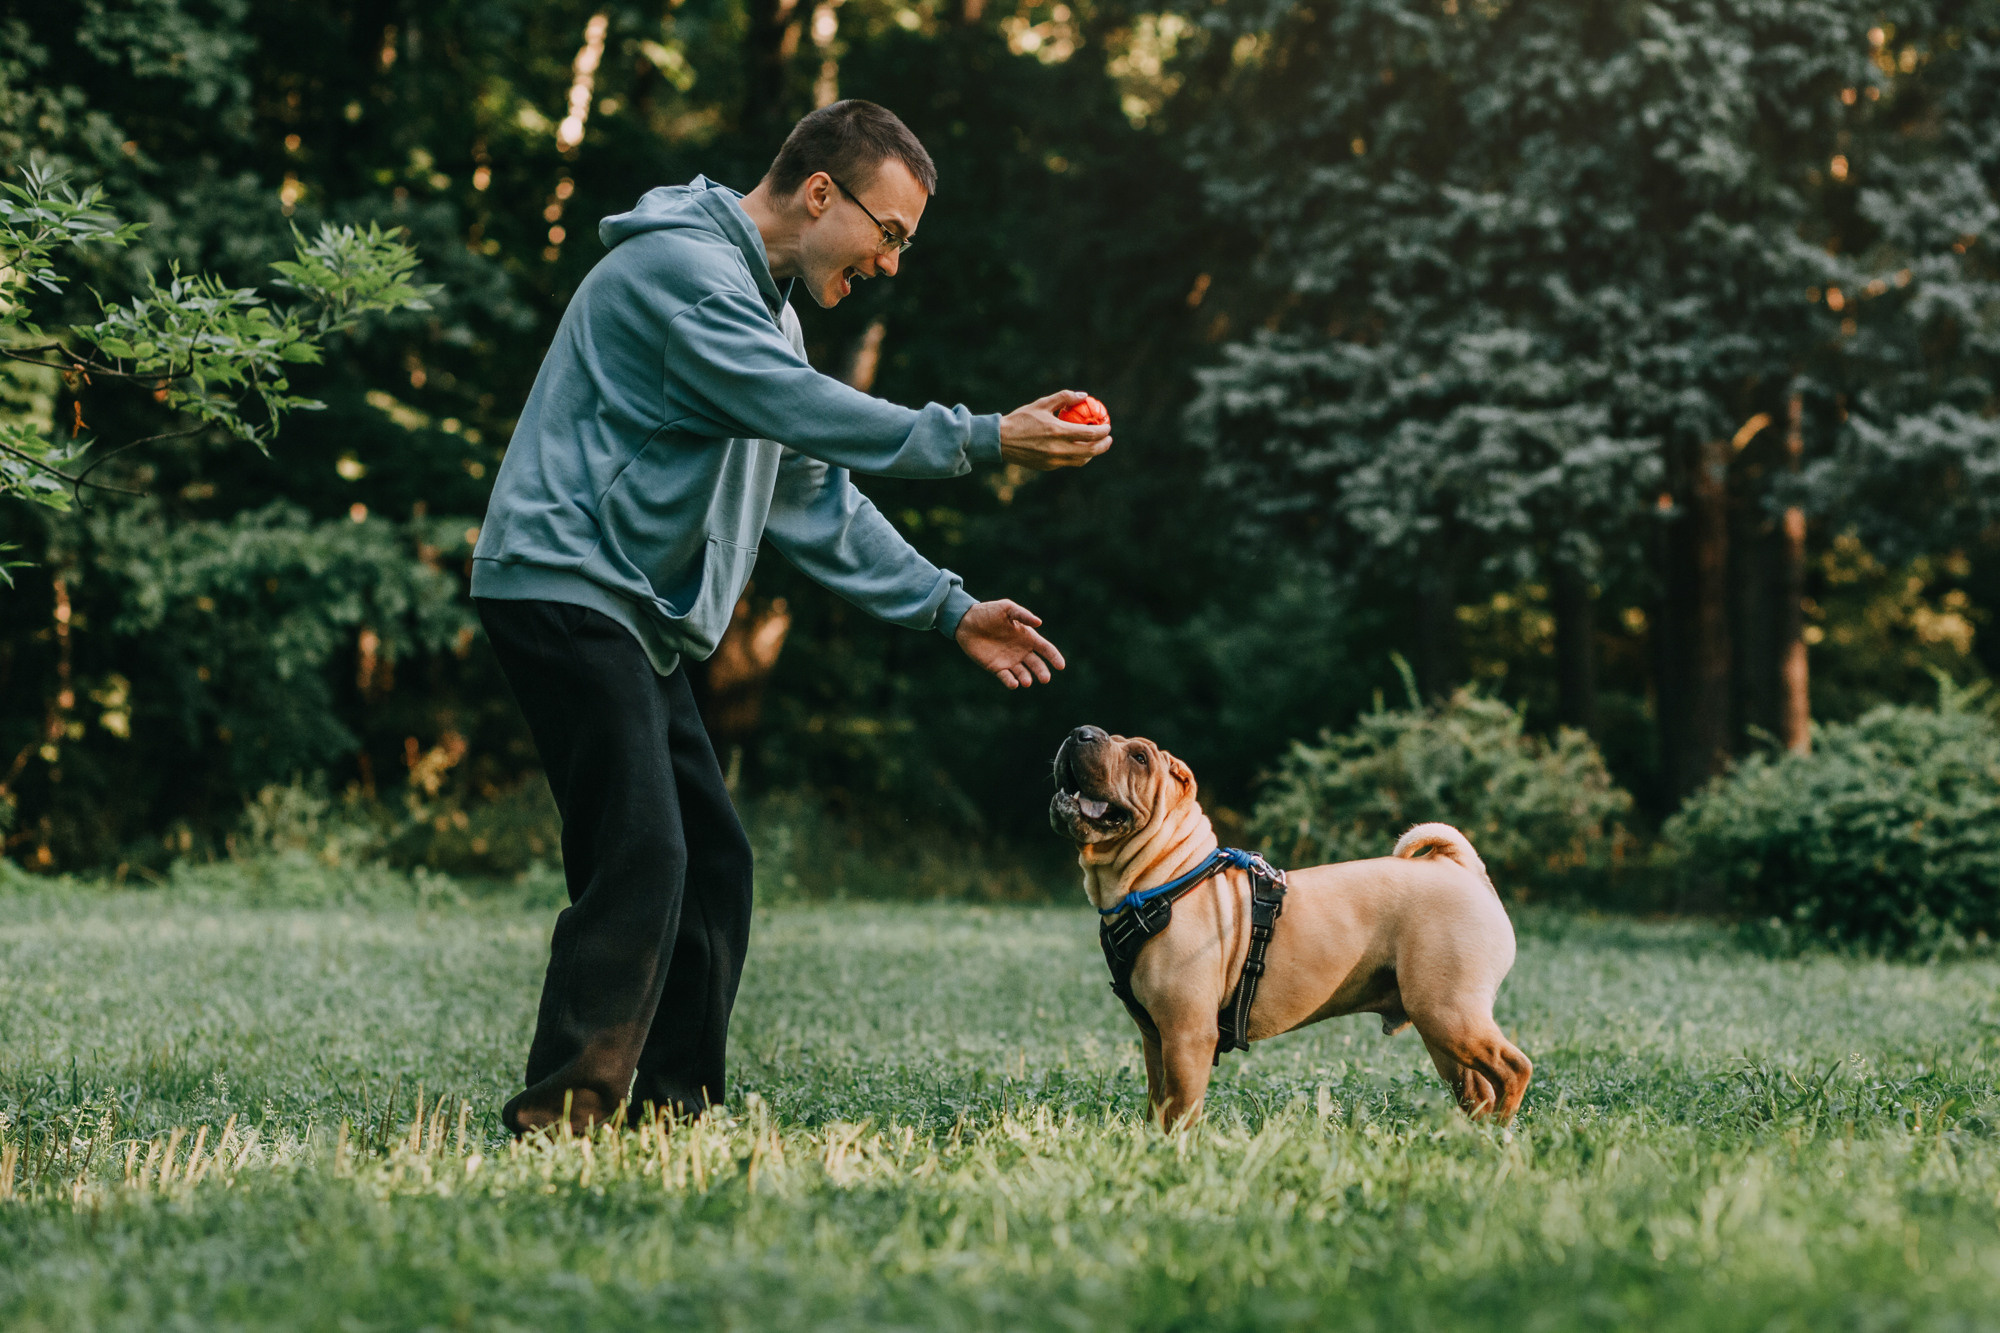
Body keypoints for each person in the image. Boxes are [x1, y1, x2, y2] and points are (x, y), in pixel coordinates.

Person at [470, 99, 1111, 1134]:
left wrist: (947, 608)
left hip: (629, 607)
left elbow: (811, 493)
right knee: (642, 851)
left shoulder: (765, 313)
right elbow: (814, 413)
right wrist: (986, 437)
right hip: (560, 580)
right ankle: (561, 1116)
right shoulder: (683, 276)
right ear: (821, 193)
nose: (891, 263)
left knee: (712, 859)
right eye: (888, 234)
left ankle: (675, 1113)